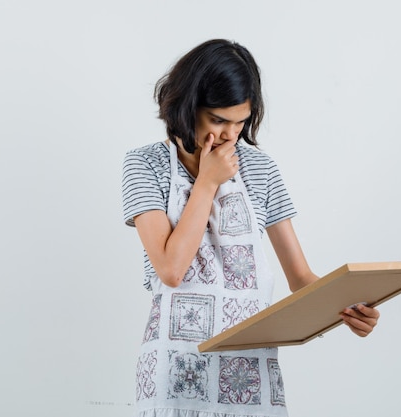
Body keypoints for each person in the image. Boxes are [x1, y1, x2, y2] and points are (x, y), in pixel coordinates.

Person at [122, 39, 380, 417]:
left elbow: (300, 276)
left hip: (249, 367)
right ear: (187, 106)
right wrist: (208, 183)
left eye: (241, 122)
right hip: (176, 370)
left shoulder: (261, 170)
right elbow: (170, 269)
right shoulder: (143, 165)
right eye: (219, 120)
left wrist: (346, 308)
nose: (231, 135)